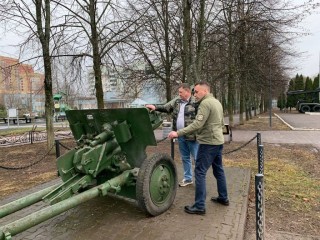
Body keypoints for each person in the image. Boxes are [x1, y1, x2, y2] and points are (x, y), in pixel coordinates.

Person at [168, 81, 229, 215]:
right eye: (194, 92)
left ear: (205, 91)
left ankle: (199, 205)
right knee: (218, 170)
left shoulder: (205, 103)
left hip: (209, 143)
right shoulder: (216, 102)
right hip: (218, 141)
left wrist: (177, 133)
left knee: (200, 172)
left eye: (196, 91)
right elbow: (220, 122)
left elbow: (197, 124)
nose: (194, 94)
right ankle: (223, 198)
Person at [146, 83, 199, 187]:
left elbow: (200, 120)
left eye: (181, 92)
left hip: (192, 136)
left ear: (187, 92)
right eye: (179, 92)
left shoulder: (196, 102)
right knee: (185, 158)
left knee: (197, 158)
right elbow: (166, 108)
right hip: (180, 135)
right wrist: (155, 107)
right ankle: (188, 178)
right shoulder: (177, 102)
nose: (179, 94)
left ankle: (199, 180)